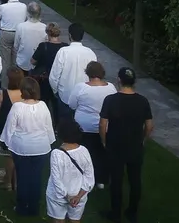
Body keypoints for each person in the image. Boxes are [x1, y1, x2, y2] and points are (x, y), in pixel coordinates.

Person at [100, 67, 153, 223]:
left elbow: (103, 124)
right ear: (134, 82)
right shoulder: (143, 101)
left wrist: (104, 141)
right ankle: (132, 212)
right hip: (135, 146)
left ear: (119, 80)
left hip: (115, 145)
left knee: (116, 180)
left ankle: (115, 213)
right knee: (135, 180)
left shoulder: (110, 100)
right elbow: (149, 126)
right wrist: (143, 140)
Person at [1, 77, 55, 217]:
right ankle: (34, 208)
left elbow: (9, 128)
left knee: (23, 177)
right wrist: (49, 142)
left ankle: (21, 207)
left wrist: (5, 143)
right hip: (41, 148)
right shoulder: (43, 105)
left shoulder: (17, 107)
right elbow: (49, 127)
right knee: (36, 177)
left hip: (22, 148)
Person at [70, 60, 115, 190]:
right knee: (102, 154)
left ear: (88, 73)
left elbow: (72, 104)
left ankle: (84, 178)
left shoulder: (81, 87)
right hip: (104, 127)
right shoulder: (111, 88)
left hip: (84, 127)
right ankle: (101, 179)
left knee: (85, 154)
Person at [47, 119, 95, 223]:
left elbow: (56, 179)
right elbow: (89, 177)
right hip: (79, 195)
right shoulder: (84, 150)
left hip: (58, 197)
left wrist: (67, 196)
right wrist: (78, 196)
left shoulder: (56, 153)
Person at [49, 23, 96, 123]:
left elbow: (54, 76)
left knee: (65, 125)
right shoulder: (91, 53)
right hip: (84, 96)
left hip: (65, 95)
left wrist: (55, 91)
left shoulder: (63, 51)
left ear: (70, 35)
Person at [31, 22, 66, 120]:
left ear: (47, 32)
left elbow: (33, 61)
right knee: (56, 105)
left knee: (43, 102)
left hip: (43, 78)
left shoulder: (43, 46)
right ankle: (57, 126)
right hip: (58, 80)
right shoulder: (64, 46)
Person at [13, 1, 47, 75]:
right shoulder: (44, 27)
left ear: (28, 13)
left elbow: (16, 46)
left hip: (23, 62)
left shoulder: (21, 26)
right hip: (38, 63)